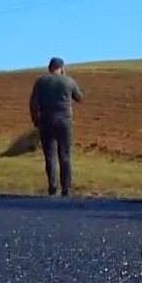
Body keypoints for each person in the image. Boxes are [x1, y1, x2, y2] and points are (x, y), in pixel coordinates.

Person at [28, 57, 84, 197]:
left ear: (49, 68)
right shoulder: (68, 80)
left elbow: (33, 103)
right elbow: (79, 97)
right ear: (62, 67)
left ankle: (52, 188)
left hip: (46, 121)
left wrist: (36, 121)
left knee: (50, 156)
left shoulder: (41, 81)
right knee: (65, 155)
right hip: (65, 122)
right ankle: (66, 189)